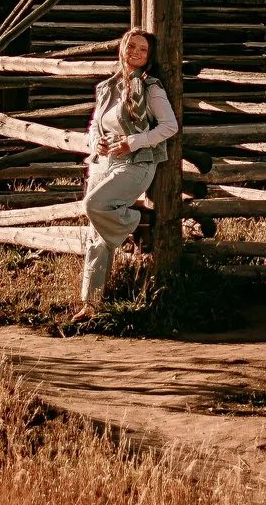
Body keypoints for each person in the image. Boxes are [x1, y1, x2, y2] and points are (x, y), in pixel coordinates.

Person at [70, 27, 179, 318]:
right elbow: (95, 124)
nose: (136, 53)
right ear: (122, 48)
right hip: (104, 163)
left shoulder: (151, 87)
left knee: (93, 206)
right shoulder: (108, 87)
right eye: (132, 46)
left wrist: (132, 143)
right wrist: (98, 142)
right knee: (98, 236)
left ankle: (133, 218)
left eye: (143, 50)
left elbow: (169, 127)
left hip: (137, 165)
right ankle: (91, 305)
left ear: (149, 57)